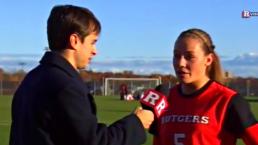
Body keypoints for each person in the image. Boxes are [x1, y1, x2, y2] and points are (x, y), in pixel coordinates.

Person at [9, 5, 154, 145]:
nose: (95, 51)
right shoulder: (66, 86)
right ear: (75, 41)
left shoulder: (31, 78)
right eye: (92, 42)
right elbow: (94, 142)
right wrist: (137, 123)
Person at [152, 28, 258, 145]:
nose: (180, 63)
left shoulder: (228, 101)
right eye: (176, 56)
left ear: (208, 60)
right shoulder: (163, 99)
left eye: (189, 56)